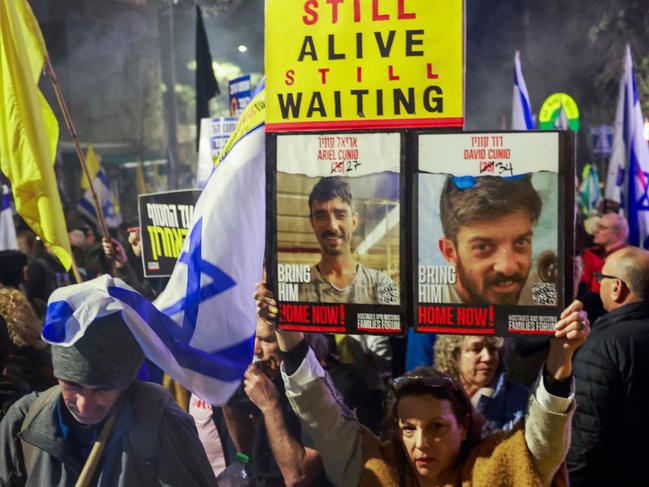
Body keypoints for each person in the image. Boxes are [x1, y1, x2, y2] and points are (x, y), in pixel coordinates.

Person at [255, 283, 589, 487]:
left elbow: (544, 441)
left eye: (437, 427)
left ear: (464, 423)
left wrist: (561, 356)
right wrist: (286, 329)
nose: (420, 443)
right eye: (408, 428)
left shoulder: (498, 468)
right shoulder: (377, 471)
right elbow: (321, 412)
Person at [0, 282, 217, 486]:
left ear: (127, 380)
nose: (84, 405)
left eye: (101, 388)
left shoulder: (163, 424)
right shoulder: (23, 422)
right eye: (72, 385)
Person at [567, 246, 649, 487]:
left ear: (617, 288)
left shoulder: (602, 345)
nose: (597, 284)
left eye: (601, 278)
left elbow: (584, 438)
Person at [222, 318, 330, 487]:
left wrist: (269, 405)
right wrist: (226, 398)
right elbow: (249, 457)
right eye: (253, 339)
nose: (256, 350)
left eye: (266, 340)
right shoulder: (274, 381)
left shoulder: (328, 386)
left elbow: (297, 476)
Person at [437, 175, 552, 305]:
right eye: (482, 247)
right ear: (449, 252)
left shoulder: (539, 286)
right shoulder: (429, 307)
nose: (508, 267)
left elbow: (552, 317)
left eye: (521, 242)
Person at [298, 177, 398, 305]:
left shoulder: (384, 283)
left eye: (340, 214)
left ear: (354, 221)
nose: (332, 226)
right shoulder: (297, 287)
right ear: (312, 223)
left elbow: (396, 324)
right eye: (321, 216)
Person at [434, 335, 528, 437]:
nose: (487, 357)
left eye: (493, 349)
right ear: (453, 356)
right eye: (476, 349)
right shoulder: (434, 398)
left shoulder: (522, 401)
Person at [580, 212, 628, 293]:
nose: (595, 231)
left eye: (602, 227)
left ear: (619, 234)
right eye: (597, 226)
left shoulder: (628, 259)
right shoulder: (589, 254)